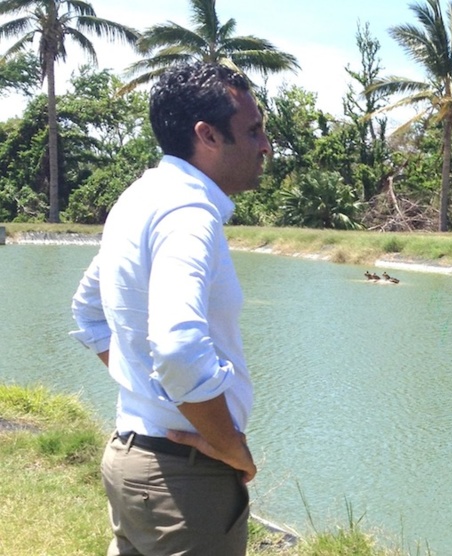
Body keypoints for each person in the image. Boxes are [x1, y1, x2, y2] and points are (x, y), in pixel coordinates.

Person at [70, 62, 271, 555]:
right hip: (184, 481)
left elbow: (89, 313)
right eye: (254, 130)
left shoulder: (139, 198)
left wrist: (144, 388)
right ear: (207, 135)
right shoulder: (188, 213)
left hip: (130, 458)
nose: (266, 145)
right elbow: (179, 348)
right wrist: (229, 446)